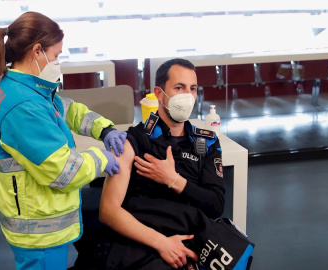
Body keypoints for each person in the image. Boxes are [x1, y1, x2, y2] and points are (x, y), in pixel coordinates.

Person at [0, 12, 127, 270]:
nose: (58, 61)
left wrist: (103, 129)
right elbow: (63, 170)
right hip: (40, 233)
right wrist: (102, 157)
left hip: (39, 223)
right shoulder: (23, 107)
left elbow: (66, 109)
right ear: (37, 51)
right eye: (56, 55)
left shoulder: (27, 87)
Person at [73, 58, 226, 270]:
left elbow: (215, 205)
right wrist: (163, 244)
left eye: (192, 89)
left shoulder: (206, 142)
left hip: (187, 239)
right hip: (142, 241)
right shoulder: (134, 140)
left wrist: (173, 180)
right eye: (179, 87)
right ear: (159, 93)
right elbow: (108, 210)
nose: (187, 96)